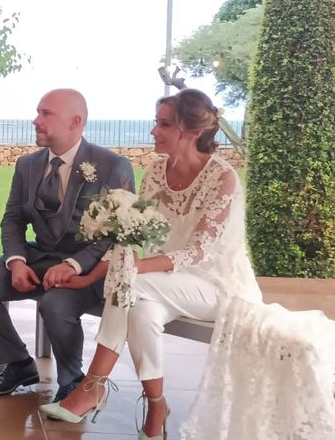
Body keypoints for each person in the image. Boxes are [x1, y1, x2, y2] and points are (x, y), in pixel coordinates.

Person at [39, 88, 260, 440]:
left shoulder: (224, 179)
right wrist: (88, 278)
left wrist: (136, 269)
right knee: (140, 311)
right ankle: (157, 407)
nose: (153, 131)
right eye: (155, 122)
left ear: (192, 132)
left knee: (132, 283)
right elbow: (132, 237)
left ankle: (93, 385)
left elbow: (199, 252)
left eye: (163, 124)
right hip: (162, 281)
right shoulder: (158, 170)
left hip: (215, 284)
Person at [0, 88, 135, 402]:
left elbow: (115, 235)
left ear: (76, 122)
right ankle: (19, 363)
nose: (35, 120)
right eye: (38, 112)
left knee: (55, 304)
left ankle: (71, 381)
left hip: (89, 269)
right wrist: (16, 261)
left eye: (46, 114)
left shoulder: (112, 166)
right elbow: (13, 219)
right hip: (39, 256)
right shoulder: (27, 164)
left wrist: (73, 265)